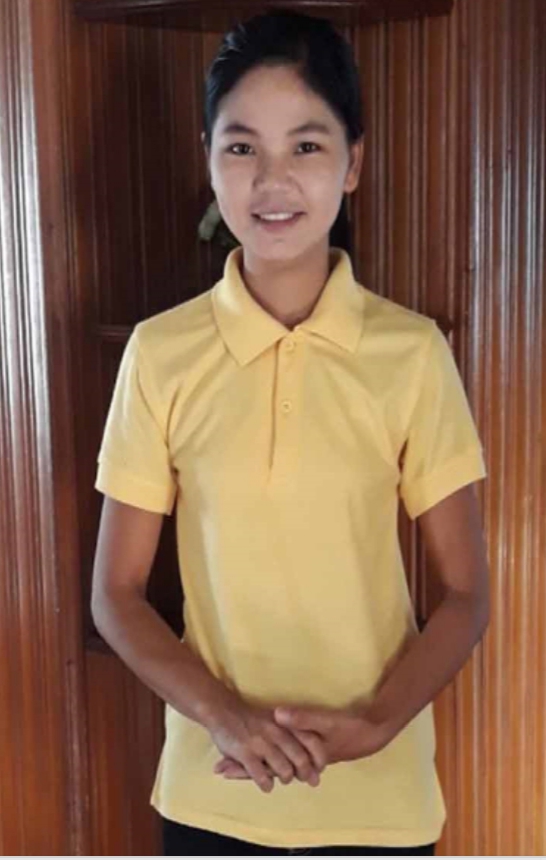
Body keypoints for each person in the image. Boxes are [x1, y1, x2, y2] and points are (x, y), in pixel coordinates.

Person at [91, 8, 490, 857]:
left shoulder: (412, 353)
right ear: (208, 157)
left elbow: (465, 595)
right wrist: (224, 717)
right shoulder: (160, 355)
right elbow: (115, 594)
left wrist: (377, 723)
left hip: (379, 802)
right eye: (242, 147)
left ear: (354, 164)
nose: (272, 180)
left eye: (306, 145)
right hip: (214, 796)